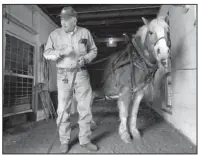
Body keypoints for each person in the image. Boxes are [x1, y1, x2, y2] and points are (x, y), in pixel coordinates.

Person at [43, 6, 98, 153]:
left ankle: (85, 140)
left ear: (74, 20)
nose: (63, 23)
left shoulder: (85, 33)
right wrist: (61, 52)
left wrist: (85, 58)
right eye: (61, 20)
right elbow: (46, 54)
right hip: (63, 76)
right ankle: (64, 141)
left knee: (85, 108)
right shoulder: (54, 34)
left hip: (81, 73)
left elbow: (94, 50)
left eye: (66, 20)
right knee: (62, 110)